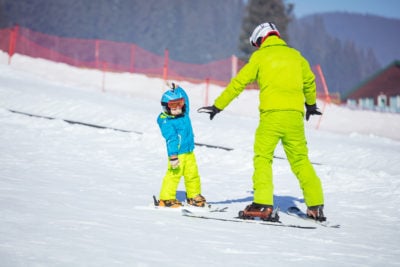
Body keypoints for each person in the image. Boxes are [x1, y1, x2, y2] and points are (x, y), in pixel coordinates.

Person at [198, 22, 326, 221]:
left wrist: (218, 106)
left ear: (260, 39)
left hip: (271, 117)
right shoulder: (296, 56)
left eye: (256, 43)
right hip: (295, 117)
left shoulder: (260, 57)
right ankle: (316, 206)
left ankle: (263, 203)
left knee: (263, 158)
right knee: (300, 160)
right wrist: (310, 105)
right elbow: (309, 81)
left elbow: (239, 82)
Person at [156, 82, 207, 208]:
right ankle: (166, 198)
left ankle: (193, 196)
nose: (178, 108)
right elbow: (171, 139)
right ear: (166, 107)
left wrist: (178, 89)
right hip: (177, 155)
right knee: (174, 175)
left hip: (189, 152)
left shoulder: (184, 114)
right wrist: (173, 157)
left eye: (180, 104)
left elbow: (187, 100)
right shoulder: (167, 122)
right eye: (173, 106)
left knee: (193, 175)